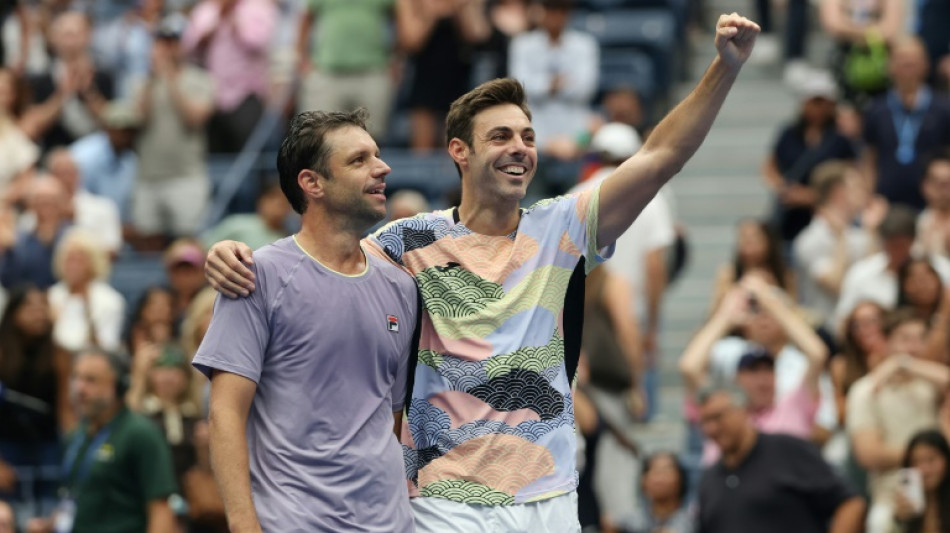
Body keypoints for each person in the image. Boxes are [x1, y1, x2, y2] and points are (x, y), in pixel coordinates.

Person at [206, 14, 763, 530]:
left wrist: (725, 68)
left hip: (549, 495)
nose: (519, 148)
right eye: (500, 136)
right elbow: (323, 257)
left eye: (528, 137)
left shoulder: (564, 227)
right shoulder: (405, 241)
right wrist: (231, 252)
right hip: (446, 502)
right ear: (459, 151)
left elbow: (660, 155)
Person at [193, 109, 419, 531]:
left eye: (377, 155)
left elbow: (388, 418)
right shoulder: (255, 275)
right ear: (311, 183)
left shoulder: (402, 286)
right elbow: (224, 414)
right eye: (358, 160)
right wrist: (244, 526)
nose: (382, 168)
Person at [680, 275, 829, 463]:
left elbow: (817, 354)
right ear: (737, 381)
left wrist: (772, 304)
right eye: (752, 372)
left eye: (768, 371)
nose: (762, 379)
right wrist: (724, 317)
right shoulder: (723, 417)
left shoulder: (793, 408)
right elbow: (688, 367)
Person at [26, 348, 177, 533]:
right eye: (76, 378)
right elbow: (74, 500)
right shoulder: (75, 436)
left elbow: (160, 510)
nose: (79, 388)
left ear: (119, 385)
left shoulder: (141, 434)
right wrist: (48, 526)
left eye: (91, 380)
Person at [695, 384, 866, 533]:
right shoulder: (709, 480)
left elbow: (850, 504)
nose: (711, 429)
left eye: (717, 417)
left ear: (743, 410)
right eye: (704, 422)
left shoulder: (787, 450)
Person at [846, 310, 950, 533]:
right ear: (885, 341)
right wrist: (927, 458)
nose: (914, 347)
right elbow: (868, 453)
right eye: (905, 339)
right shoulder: (866, 390)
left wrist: (904, 363)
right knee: (881, 523)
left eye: (920, 339)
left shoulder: (930, 385)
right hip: (893, 493)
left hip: (944, 492)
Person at [134, 14, 214, 248]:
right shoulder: (144, 82)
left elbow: (194, 118)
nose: (169, 48)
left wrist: (169, 76)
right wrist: (153, 76)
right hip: (148, 176)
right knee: (148, 245)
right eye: (163, 41)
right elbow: (139, 119)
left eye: (174, 41)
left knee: (188, 243)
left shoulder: (201, 79)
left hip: (186, 175)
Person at [0, 285, 71, 524]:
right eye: (30, 306)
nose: (39, 312)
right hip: (6, 447)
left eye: (43, 306)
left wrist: (72, 455)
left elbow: (66, 411)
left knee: (48, 518)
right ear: (13, 313)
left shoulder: (59, 354)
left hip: (47, 447)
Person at [762, 72, 857, 245]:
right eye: (814, 102)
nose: (818, 108)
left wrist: (813, 196)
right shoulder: (788, 134)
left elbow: (850, 175)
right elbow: (770, 166)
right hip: (789, 217)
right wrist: (783, 188)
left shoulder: (840, 139)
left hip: (826, 216)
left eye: (822, 102)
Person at [862, 37, 950, 210]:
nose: (908, 64)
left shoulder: (944, 108)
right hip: (885, 203)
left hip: (933, 206)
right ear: (889, 66)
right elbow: (869, 159)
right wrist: (868, 197)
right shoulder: (876, 109)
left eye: (914, 59)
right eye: (902, 58)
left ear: (926, 65)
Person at [793, 160, 881, 328]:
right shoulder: (811, 238)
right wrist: (841, 240)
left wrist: (872, 232)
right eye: (857, 186)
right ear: (839, 192)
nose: (865, 193)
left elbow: (874, 281)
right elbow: (837, 285)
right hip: (827, 330)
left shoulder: (860, 233)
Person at [181, 0, 276, 153]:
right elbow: (189, 47)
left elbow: (258, 42)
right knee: (216, 154)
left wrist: (235, 21)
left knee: (247, 153)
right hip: (213, 98)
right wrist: (218, 18)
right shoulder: (207, 10)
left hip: (246, 95)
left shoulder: (257, 6)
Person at [395, 0, 490, 150]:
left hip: (459, 76)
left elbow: (478, 36)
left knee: (456, 150)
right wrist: (431, 13)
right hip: (424, 77)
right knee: (422, 153)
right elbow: (410, 42)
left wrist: (462, 9)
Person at [509, 0, 599, 158]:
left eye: (561, 10)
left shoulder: (584, 44)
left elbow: (585, 89)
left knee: (592, 130)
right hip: (535, 128)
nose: (555, 16)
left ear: (568, 13)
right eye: (550, 9)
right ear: (542, 11)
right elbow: (520, 88)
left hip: (574, 130)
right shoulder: (523, 44)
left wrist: (542, 86)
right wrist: (553, 84)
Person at [835, 205, 950, 326]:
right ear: (883, 243)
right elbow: (843, 320)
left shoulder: (940, 268)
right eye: (892, 245)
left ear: (913, 241)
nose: (897, 251)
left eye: (901, 245)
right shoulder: (861, 274)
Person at [295, 0, 396, 139]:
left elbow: (400, 18)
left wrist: (396, 59)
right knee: (317, 137)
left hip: (372, 73)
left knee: (371, 139)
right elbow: (306, 18)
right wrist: (302, 58)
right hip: (327, 74)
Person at [23, 11, 113, 150]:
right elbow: (31, 128)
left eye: (76, 34)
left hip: (98, 150)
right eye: (66, 34)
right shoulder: (41, 79)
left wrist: (89, 93)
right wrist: (62, 94)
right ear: (53, 38)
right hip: (55, 152)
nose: (71, 41)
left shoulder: (103, 75)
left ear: (89, 36)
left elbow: (112, 123)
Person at [47, 228, 125, 353]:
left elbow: (108, 347)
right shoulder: (51, 296)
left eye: (80, 261)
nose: (73, 266)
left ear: (93, 263)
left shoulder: (111, 301)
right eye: (69, 260)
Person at [40, 147, 122, 254]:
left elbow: (113, 250)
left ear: (79, 174)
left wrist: (75, 220)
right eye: (59, 173)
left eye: (70, 172)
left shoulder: (103, 208)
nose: (65, 178)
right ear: (50, 176)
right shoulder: (37, 210)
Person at [0, 177, 71, 290]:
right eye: (41, 201)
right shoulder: (20, 241)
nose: (46, 207)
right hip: (30, 301)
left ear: (61, 204)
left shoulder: (73, 237)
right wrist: (9, 251)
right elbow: (7, 280)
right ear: (32, 205)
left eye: (51, 201)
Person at [710, 219, 794, 311]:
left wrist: (770, 289)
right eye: (743, 237)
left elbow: (794, 310)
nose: (748, 242)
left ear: (768, 240)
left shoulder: (784, 274)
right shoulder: (728, 273)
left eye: (754, 237)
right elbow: (714, 311)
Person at [611, 452, 693, 533]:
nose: (659, 479)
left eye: (666, 471)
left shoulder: (692, 521)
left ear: (680, 480)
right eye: (655, 471)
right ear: (643, 481)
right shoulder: (630, 521)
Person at [201, 181, 291, 252]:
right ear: (261, 201)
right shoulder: (237, 223)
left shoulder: (291, 238)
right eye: (273, 197)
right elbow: (202, 248)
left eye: (285, 200)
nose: (279, 203)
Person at [891, 430, 950, 533]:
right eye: (916, 462)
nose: (924, 470)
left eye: (931, 460)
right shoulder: (905, 504)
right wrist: (899, 521)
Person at [915, 150, 950, 260]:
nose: (942, 190)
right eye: (937, 182)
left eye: (947, 183)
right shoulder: (915, 223)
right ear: (924, 185)